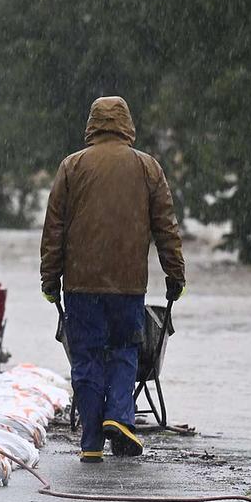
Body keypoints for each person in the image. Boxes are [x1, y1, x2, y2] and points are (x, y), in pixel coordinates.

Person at [40, 96, 186, 463]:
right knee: (124, 350)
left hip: (80, 285)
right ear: (126, 124)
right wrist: (175, 273)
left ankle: (91, 440)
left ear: (92, 124)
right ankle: (119, 417)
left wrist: (49, 278)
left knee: (86, 357)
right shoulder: (147, 167)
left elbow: (53, 228)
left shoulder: (72, 167)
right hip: (128, 284)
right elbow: (165, 226)